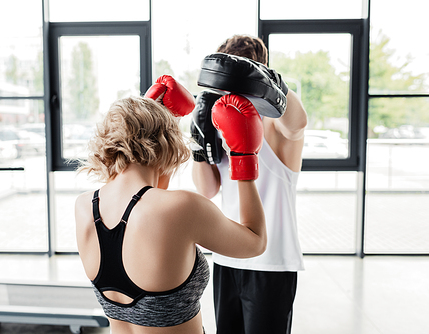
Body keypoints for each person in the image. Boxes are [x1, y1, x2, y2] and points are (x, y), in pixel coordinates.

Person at [75, 75, 268, 334]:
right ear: (166, 145)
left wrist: (141, 117)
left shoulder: (84, 206)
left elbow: (146, 193)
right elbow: (255, 242)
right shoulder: (183, 207)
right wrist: (242, 159)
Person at [191, 35, 308, 334]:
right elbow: (207, 190)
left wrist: (268, 83)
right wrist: (198, 144)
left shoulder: (276, 124)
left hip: (271, 262)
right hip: (228, 256)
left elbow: (298, 124)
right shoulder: (221, 123)